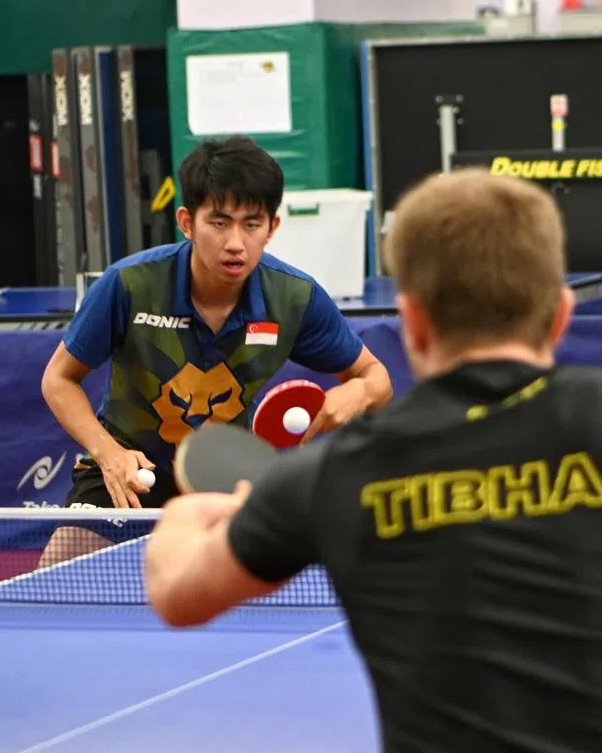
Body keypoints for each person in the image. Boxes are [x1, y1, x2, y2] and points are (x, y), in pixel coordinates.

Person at [143, 168, 602, 751]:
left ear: (413, 322)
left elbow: (178, 593)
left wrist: (197, 512)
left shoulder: (340, 471)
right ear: (560, 314)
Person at [37, 135, 393, 567]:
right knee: (62, 570)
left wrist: (356, 392)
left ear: (272, 228)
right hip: (128, 475)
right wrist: (108, 454)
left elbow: (376, 378)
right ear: (187, 222)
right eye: (219, 222)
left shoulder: (294, 298)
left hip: (226, 478)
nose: (236, 243)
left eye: (252, 223)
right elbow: (58, 379)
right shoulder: (130, 285)